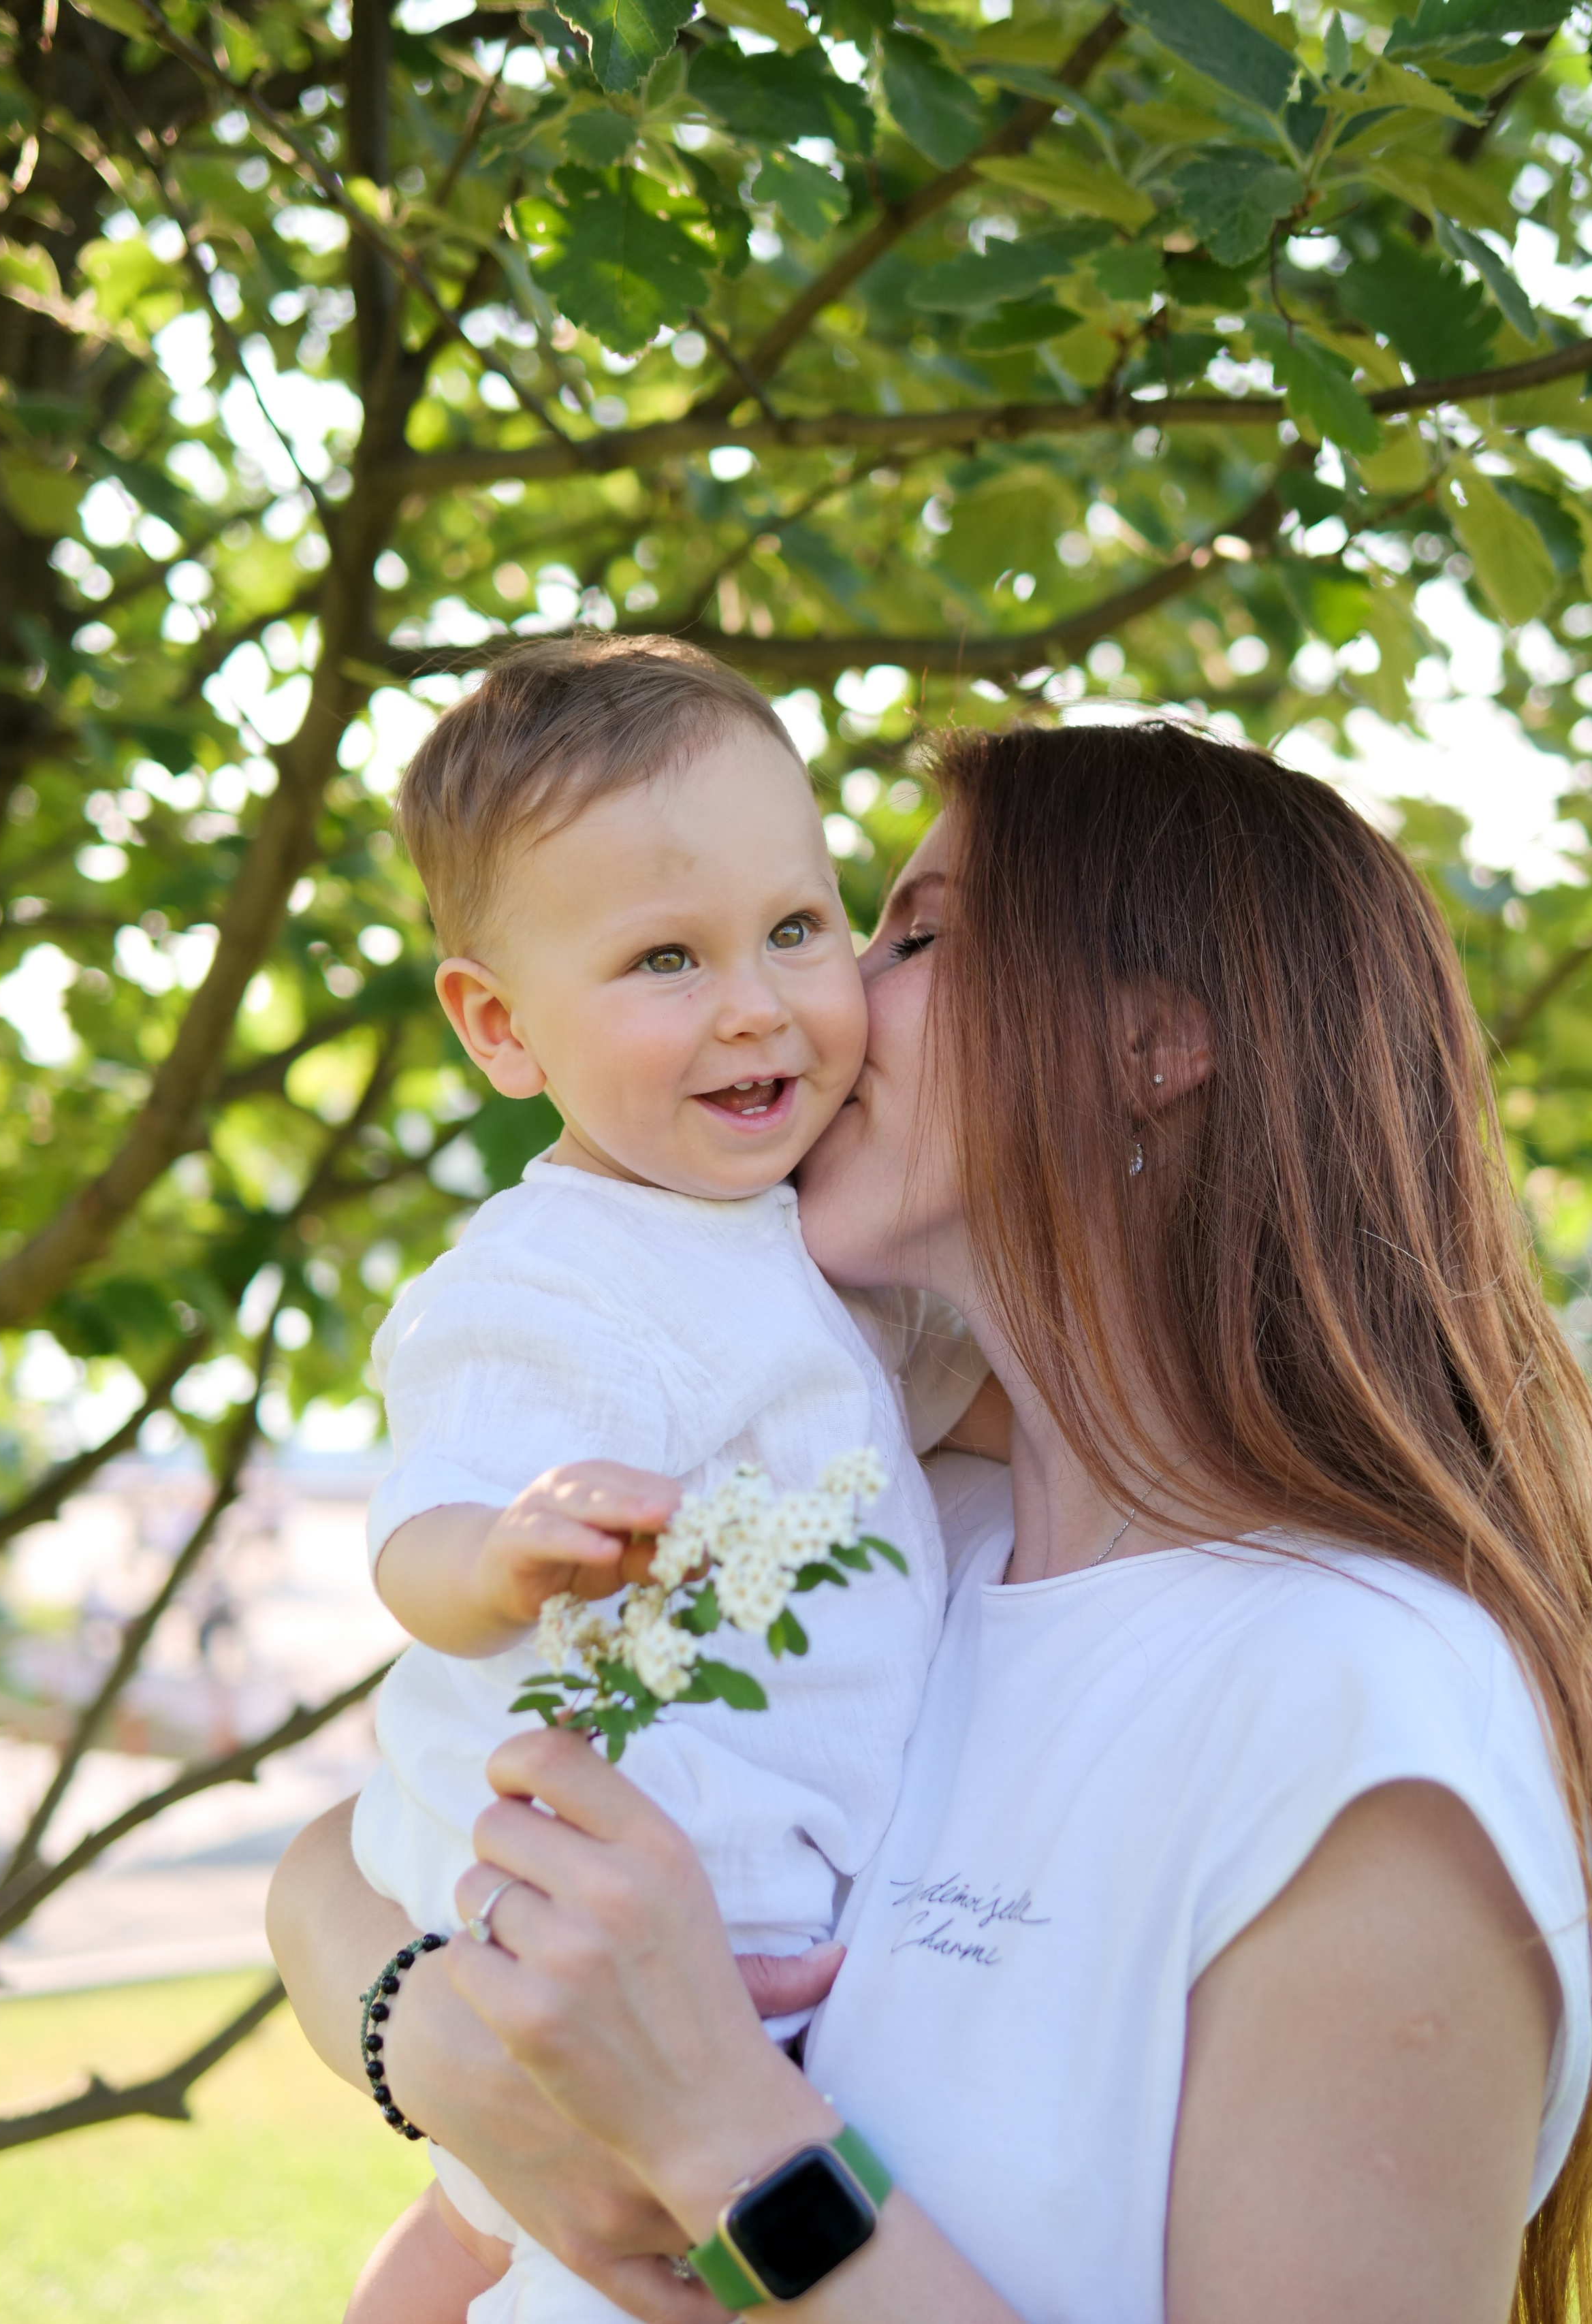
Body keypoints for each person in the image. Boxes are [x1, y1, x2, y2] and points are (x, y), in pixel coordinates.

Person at [270, 718, 1592, 2324]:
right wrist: (434, 2037)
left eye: (904, 937)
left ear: (1143, 1046)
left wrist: (721, 2137)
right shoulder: (896, 1537)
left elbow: (680, 2082)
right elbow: (340, 1857)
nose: (821, 1001)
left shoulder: (1360, 1714)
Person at [340, 637, 989, 2321]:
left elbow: (916, 1405)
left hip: (728, 1923)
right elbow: (411, 1540)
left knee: (491, 2230)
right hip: (650, 1907)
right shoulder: (550, 1282)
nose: (754, 1004)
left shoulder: (785, 1241)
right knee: (578, 2260)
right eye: (662, 959)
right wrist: (504, 1552)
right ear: (501, 1027)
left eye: (796, 929)